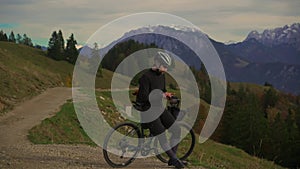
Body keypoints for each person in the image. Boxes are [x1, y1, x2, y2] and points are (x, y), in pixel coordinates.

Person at [135, 51, 186, 169]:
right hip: (147, 109)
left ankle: (172, 157)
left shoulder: (161, 76)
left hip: (158, 108)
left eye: (167, 67)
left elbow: (162, 90)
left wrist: (168, 96)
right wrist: (161, 96)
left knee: (177, 130)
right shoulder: (146, 77)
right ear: (157, 63)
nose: (165, 70)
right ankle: (174, 159)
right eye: (164, 66)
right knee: (161, 133)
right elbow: (143, 97)